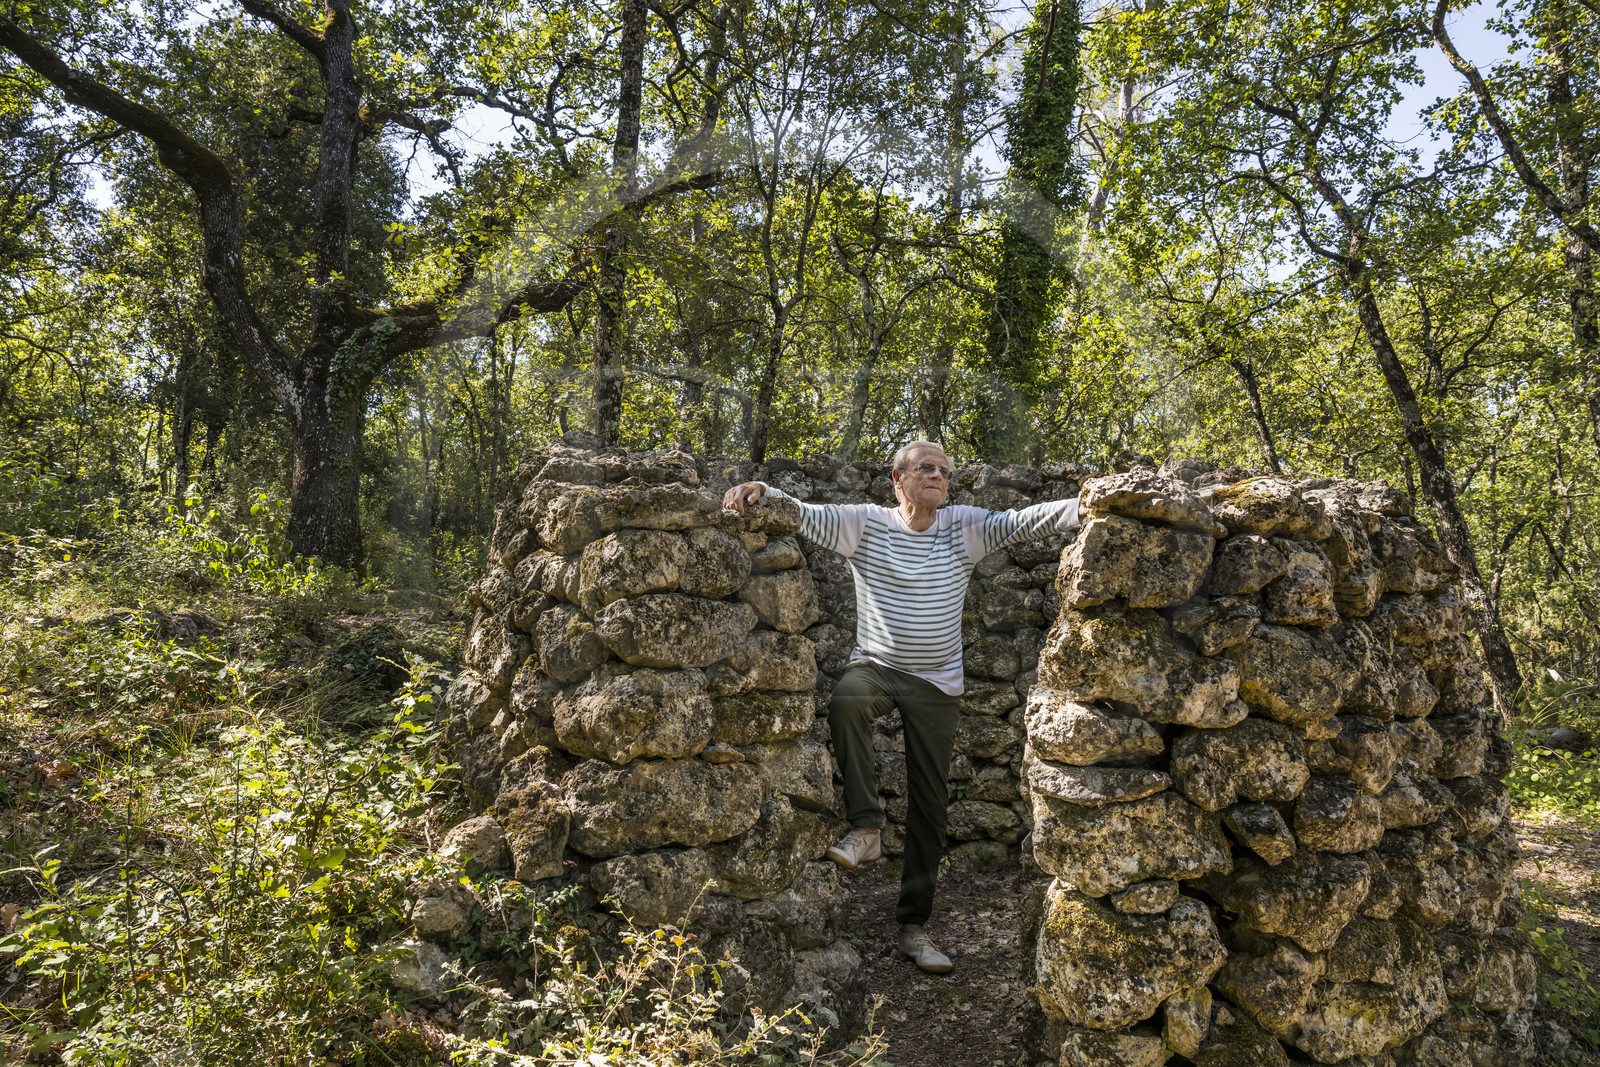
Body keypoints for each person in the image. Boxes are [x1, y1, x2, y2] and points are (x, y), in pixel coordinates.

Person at [722, 441, 1080, 973]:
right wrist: (763, 491)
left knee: (931, 807)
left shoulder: (964, 526)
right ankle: (866, 827)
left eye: (944, 471)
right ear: (898, 478)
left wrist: (1083, 504)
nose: (937, 476)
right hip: (878, 665)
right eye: (925, 468)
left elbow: (1024, 520)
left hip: (938, 682)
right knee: (846, 700)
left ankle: (915, 929)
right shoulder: (866, 524)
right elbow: (806, 514)